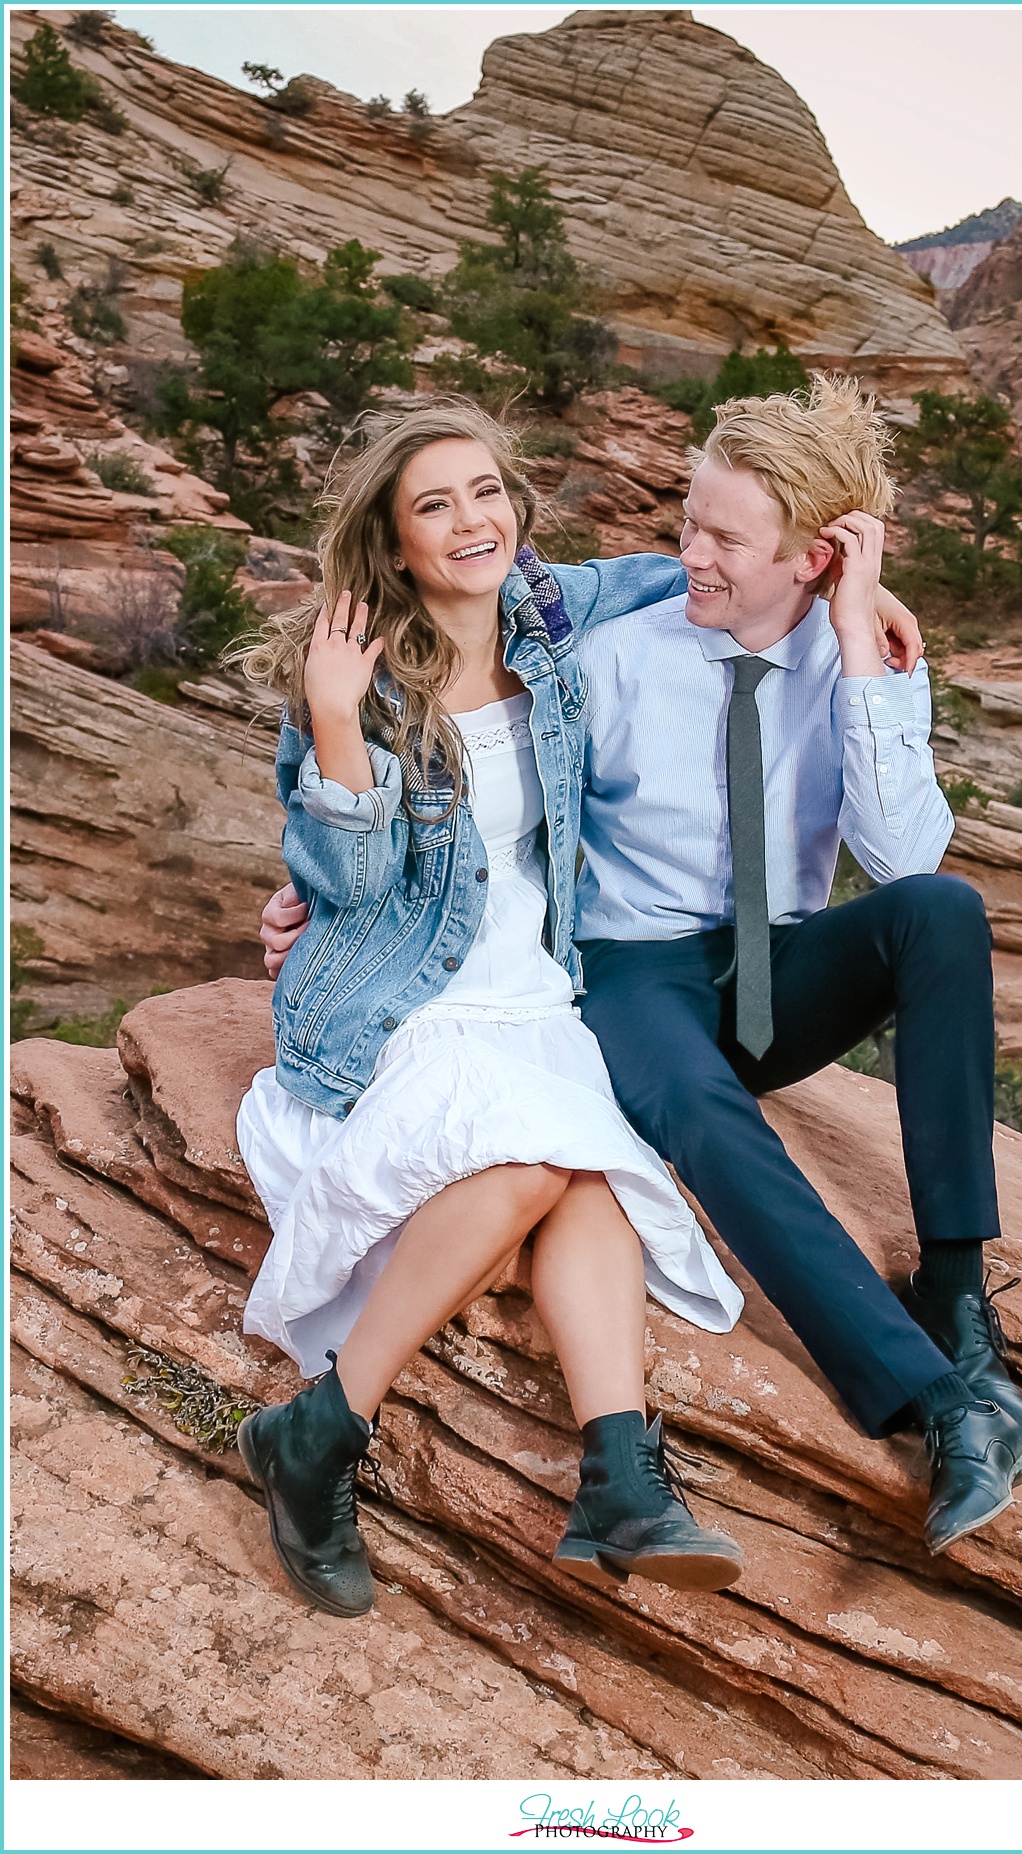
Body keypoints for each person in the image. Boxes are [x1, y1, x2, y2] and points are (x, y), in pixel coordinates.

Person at [261, 377, 1022, 1561]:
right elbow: (474, 797)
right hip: (635, 974)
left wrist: (857, 642)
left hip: (779, 964)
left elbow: (901, 853)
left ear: (815, 558)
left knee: (941, 911)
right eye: (686, 525)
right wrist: (314, 904)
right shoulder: (615, 651)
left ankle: (955, 1290)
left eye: (723, 537)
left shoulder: (862, 653)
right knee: (685, 1102)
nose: (687, 555)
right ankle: (935, 1402)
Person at [234, 398, 752, 1619]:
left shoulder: (558, 612)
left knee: (594, 1173)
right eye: (434, 506)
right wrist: (327, 718)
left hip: (536, 988)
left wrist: (856, 594)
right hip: (400, 1002)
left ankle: (619, 1480)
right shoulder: (354, 670)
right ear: (395, 542)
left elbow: (717, 562)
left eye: (485, 492)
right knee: (539, 1163)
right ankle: (322, 1434)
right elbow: (349, 886)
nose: (471, 521)